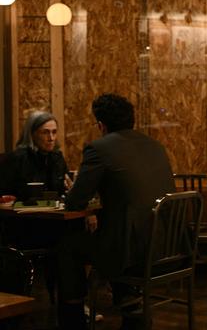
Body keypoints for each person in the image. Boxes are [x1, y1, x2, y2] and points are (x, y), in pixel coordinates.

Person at [56, 93, 175, 329]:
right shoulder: (154, 145)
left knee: (68, 246)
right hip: (170, 247)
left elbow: (75, 201)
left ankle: (74, 319)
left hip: (133, 253)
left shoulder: (98, 149)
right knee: (114, 237)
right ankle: (131, 306)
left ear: (101, 124)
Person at [0, 111, 70, 200]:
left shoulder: (57, 157)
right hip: (23, 212)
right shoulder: (17, 159)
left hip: (54, 210)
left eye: (54, 132)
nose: (51, 138)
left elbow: (63, 190)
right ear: (32, 134)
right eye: (45, 132)